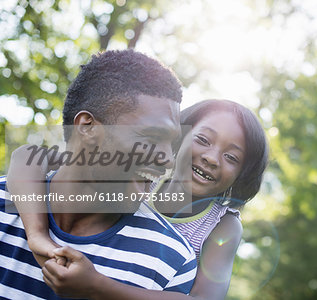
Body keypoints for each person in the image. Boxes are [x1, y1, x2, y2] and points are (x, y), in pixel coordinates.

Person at [7, 99, 269, 299]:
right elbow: (29, 155)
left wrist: (97, 285)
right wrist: (38, 235)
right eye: (203, 139)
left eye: (231, 157)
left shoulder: (223, 226)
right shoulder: (140, 175)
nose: (212, 158)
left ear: (242, 175)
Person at [0, 49, 198, 299]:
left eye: (171, 144)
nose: (168, 159)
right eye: (151, 137)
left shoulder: (171, 260)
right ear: (87, 127)